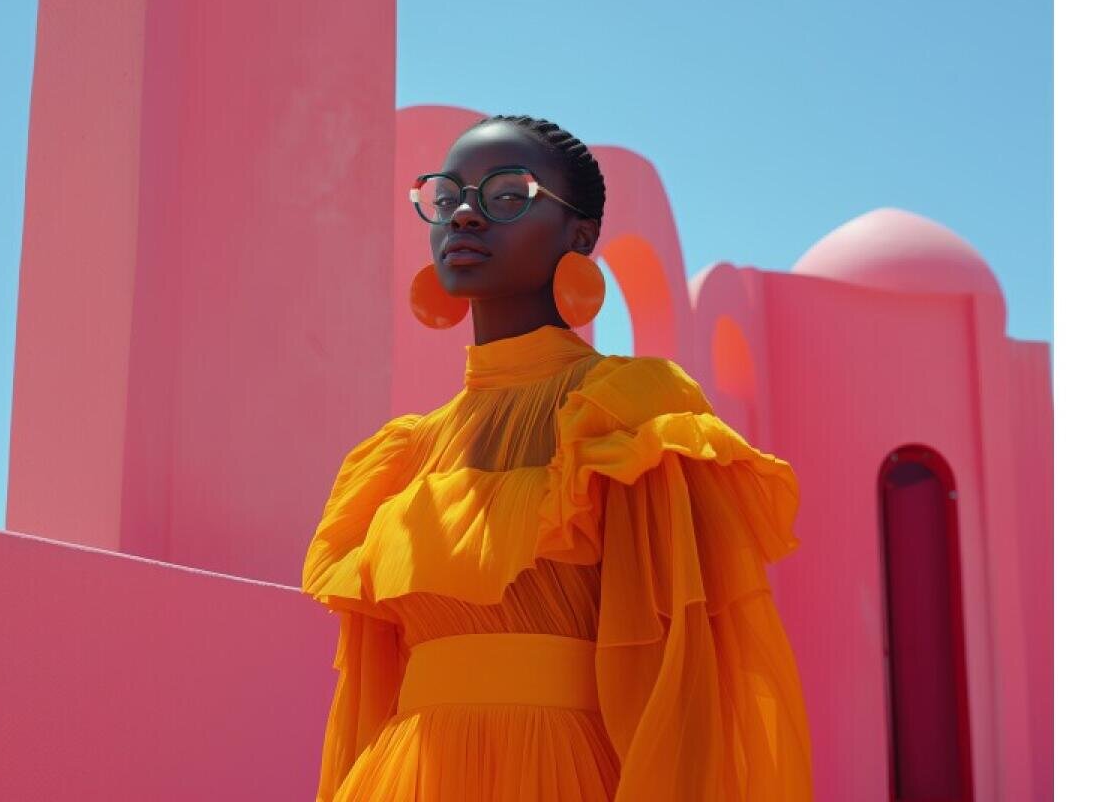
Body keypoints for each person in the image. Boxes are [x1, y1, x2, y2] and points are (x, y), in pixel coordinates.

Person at [302, 114, 814, 800]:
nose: (465, 216)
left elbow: (685, 675)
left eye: (507, 195)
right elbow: (366, 696)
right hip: (402, 779)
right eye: (447, 195)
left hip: (560, 774)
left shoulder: (627, 412)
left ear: (580, 235)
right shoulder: (398, 458)